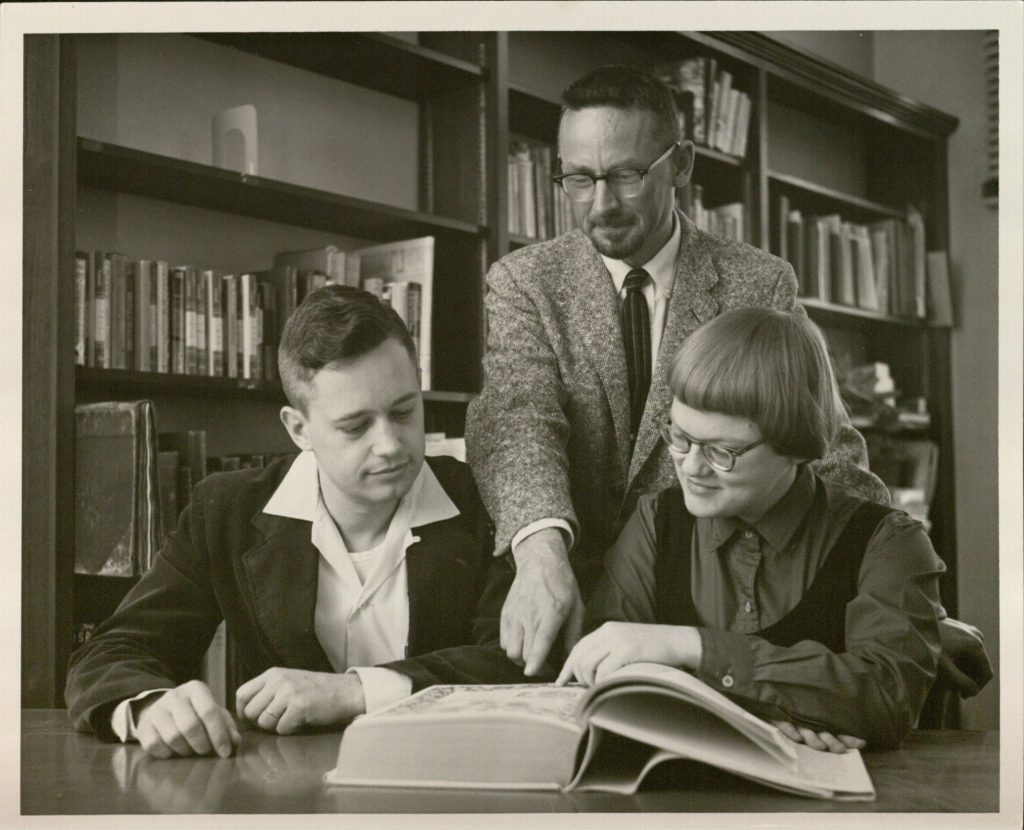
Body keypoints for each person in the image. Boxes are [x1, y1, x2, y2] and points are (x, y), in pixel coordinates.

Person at [465, 64, 991, 700]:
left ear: (681, 163)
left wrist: (891, 582)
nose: (600, 203)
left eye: (627, 175)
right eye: (578, 178)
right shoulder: (523, 279)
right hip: (550, 579)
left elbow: (819, 438)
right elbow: (519, 421)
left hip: (699, 594)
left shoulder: (757, 279)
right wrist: (541, 552)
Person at [66, 286, 524, 758]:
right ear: (298, 429)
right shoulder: (225, 511)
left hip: (451, 782)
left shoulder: (490, 500)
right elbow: (112, 651)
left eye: (404, 411)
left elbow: (521, 665)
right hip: (287, 799)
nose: (390, 444)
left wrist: (354, 691)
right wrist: (150, 706)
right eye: (355, 426)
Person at [558, 308, 945, 750]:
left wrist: (691, 648)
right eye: (679, 437)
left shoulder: (890, 542)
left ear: (797, 446)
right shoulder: (653, 521)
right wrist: (781, 711)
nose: (691, 467)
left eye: (723, 451)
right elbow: (607, 672)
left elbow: (886, 696)